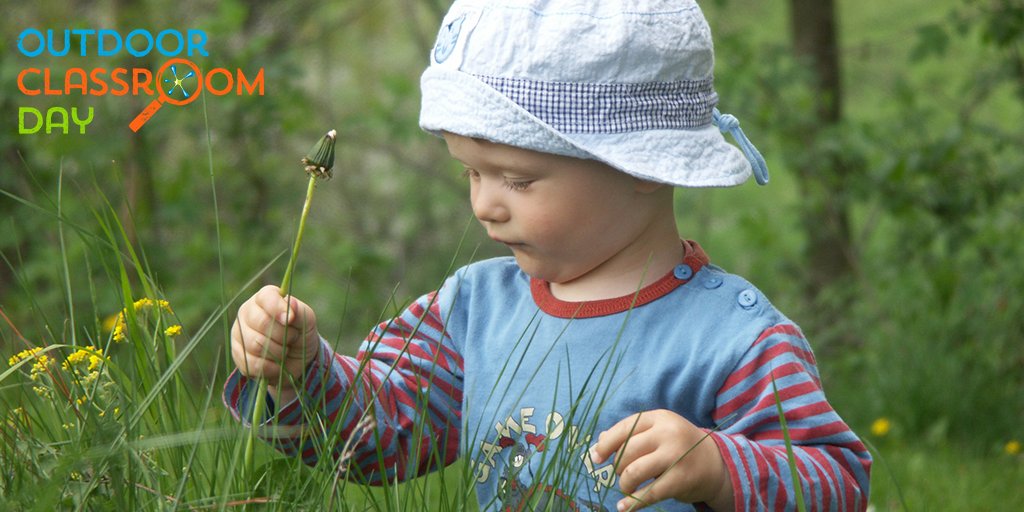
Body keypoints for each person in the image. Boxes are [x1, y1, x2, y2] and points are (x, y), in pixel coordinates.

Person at [223, 1, 872, 510]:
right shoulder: (472, 313)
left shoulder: (734, 342)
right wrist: (300, 371)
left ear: (640, 163)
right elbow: (378, 439)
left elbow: (838, 484)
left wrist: (718, 467)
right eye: (471, 173)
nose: (484, 205)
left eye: (517, 179)